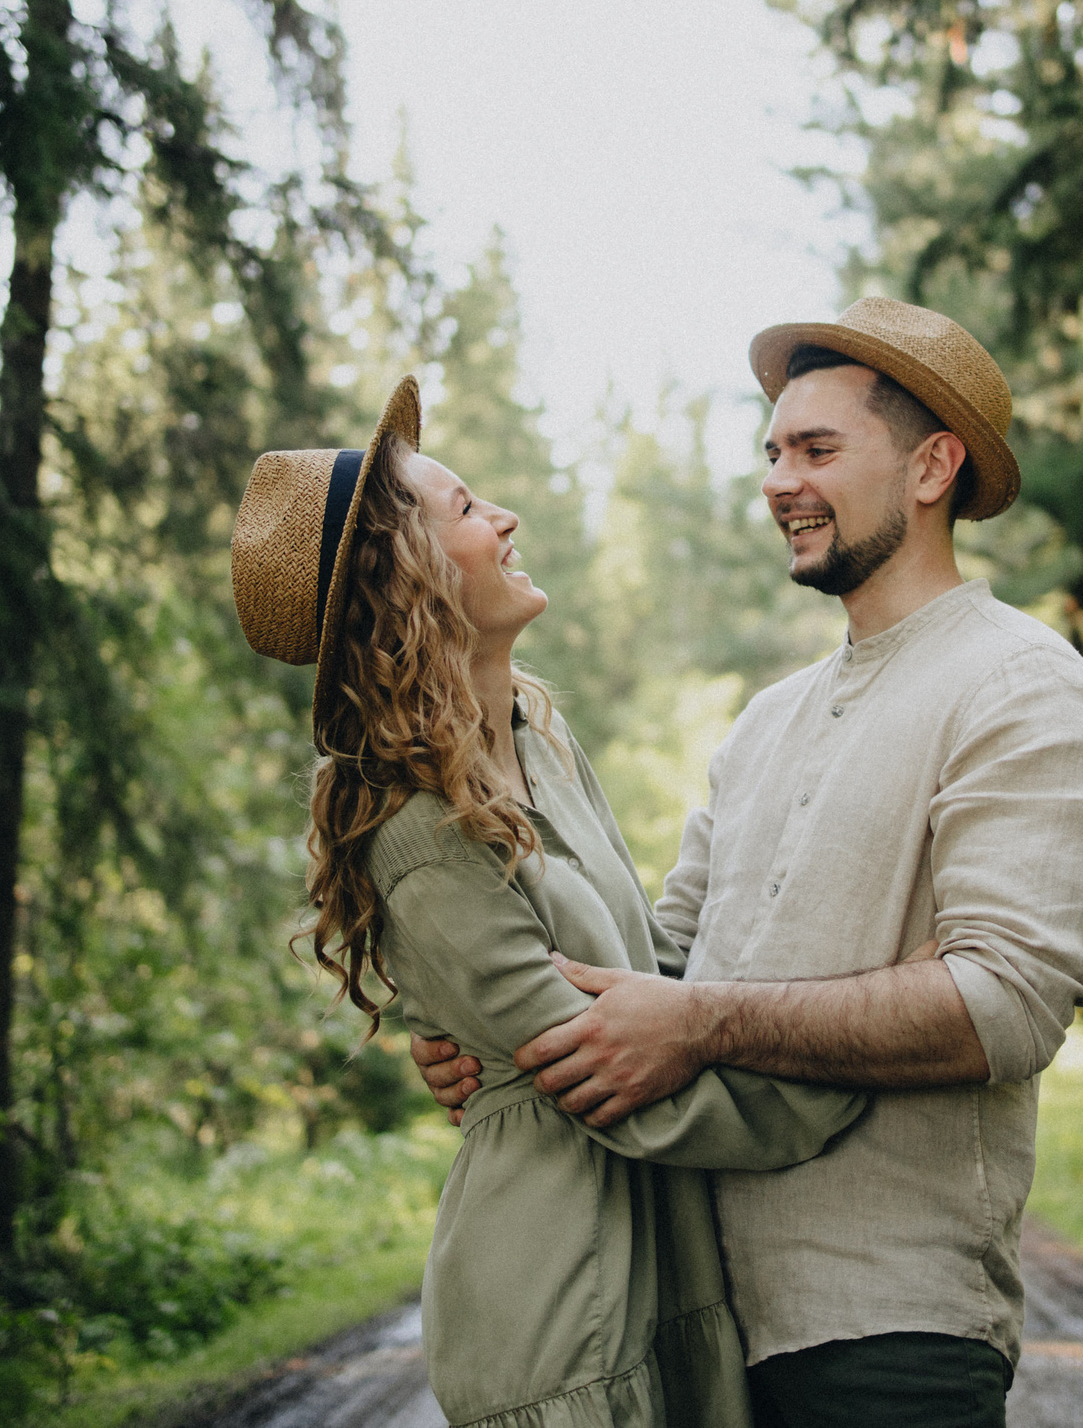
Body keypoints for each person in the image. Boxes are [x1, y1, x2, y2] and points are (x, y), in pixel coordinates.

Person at [414, 298, 1083, 1428]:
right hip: (694, 1330)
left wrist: (706, 1025)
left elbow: (1007, 1005)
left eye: (818, 449)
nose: (777, 480)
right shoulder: (763, 724)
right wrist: (492, 1028)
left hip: (886, 1336)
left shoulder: (1020, 685)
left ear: (932, 466)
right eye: (771, 451)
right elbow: (658, 963)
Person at [228, 375, 867, 1428]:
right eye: (467, 509)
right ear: (410, 577)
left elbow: (649, 973)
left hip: (664, 1276)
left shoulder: (537, 742)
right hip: (562, 1314)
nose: (504, 517)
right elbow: (618, 1082)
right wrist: (846, 1073)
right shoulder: (417, 830)